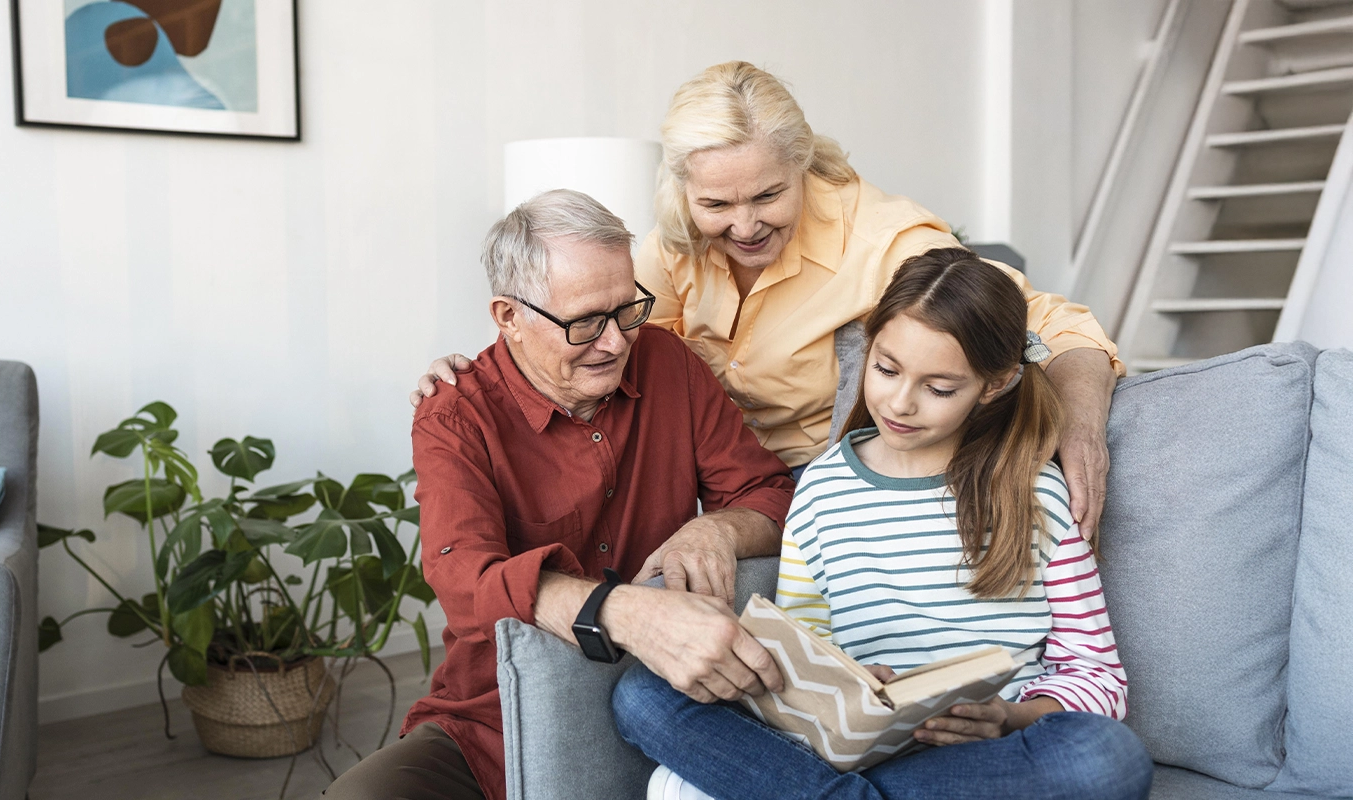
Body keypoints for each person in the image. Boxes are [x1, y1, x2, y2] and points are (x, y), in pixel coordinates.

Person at [412, 63, 1124, 602]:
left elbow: (1054, 325)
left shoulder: (880, 238)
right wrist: (491, 367)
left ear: (803, 166)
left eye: (768, 196)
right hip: (721, 492)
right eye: (717, 202)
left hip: (831, 501)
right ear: (684, 192)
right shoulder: (668, 249)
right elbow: (584, 336)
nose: (745, 225)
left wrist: (1083, 422)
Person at [613, 247, 1150, 800]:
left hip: (983, 758)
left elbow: (1096, 673)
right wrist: (845, 685)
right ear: (869, 349)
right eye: (886, 369)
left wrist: (1007, 717)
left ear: (994, 385)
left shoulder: (1036, 490)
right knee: (643, 695)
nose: (900, 402)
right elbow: (804, 648)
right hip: (855, 749)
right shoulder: (821, 490)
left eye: (938, 389)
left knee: (1107, 757)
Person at [323, 190, 797, 800]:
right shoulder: (455, 415)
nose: (615, 343)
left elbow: (771, 493)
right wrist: (621, 611)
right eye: (584, 323)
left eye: (627, 310)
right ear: (509, 316)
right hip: (497, 711)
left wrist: (719, 528)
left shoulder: (666, 362)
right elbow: (464, 578)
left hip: (672, 688)